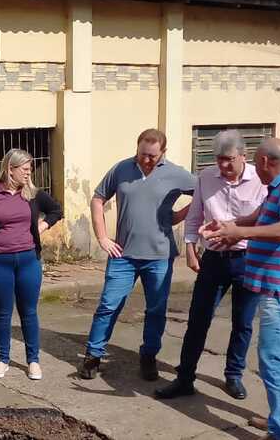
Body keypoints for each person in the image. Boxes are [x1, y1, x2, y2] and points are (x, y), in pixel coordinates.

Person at [202, 137, 280, 440]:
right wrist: (229, 227)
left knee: (272, 360)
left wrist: (241, 232)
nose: (255, 167)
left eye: (256, 161)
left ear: (267, 162)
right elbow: (256, 218)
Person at [155, 130, 266, 401]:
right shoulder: (206, 177)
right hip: (213, 260)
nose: (224, 166)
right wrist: (191, 251)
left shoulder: (261, 182)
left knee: (243, 322)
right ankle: (185, 378)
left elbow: (265, 222)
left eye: (229, 160)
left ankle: (234, 375)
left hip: (248, 260)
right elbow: (194, 217)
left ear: (243, 156)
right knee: (198, 320)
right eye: (219, 160)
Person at [79, 128, 195, 382]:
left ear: (163, 152)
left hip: (159, 256)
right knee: (109, 305)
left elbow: (203, 196)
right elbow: (98, 199)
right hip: (123, 255)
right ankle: (93, 355)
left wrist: (179, 216)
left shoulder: (176, 173)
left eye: (152, 156)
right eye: (143, 154)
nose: (146, 160)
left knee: (156, 309)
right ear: (137, 148)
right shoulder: (121, 169)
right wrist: (102, 237)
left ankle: (148, 356)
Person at [0, 148, 63, 380]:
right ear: (10, 169)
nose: (28, 173)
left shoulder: (32, 194)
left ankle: (33, 360)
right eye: (24, 169)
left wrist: (42, 226)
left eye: (29, 169)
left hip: (28, 261)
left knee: (29, 312)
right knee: (3, 313)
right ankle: (2, 359)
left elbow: (56, 210)